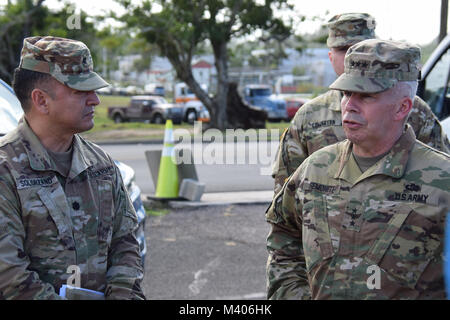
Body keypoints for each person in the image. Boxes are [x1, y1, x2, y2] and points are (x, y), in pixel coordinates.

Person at [266, 39, 450, 299]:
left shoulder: (442, 181)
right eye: (346, 93)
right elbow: (283, 236)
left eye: (366, 96)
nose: (349, 105)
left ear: (402, 107)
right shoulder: (315, 169)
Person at [0, 36, 145, 299]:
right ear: (41, 100)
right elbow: (10, 277)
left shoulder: (101, 165)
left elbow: (126, 246)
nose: (95, 101)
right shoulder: (6, 170)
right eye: (81, 92)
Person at [272, 13, 450, 195]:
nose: (353, 55)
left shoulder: (414, 110)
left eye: (360, 47)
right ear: (330, 56)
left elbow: (440, 172)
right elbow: (286, 193)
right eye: (343, 49)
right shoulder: (309, 115)